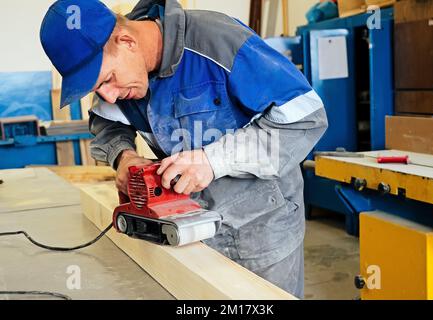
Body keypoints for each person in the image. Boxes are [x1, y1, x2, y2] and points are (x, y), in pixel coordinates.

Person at [40, 0, 328, 298]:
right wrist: (123, 157)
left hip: (261, 233)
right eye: (97, 89)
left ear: (126, 41)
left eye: (108, 80)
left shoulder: (217, 41)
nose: (108, 96)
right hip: (189, 232)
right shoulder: (121, 78)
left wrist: (213, 160)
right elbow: (105, 121)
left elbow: (306, 119)